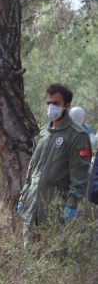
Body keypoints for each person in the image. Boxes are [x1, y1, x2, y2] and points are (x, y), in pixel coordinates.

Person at [18, 84, 92, 243]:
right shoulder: (43, 133)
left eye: (56, 103)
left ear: (67, 105)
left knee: (52, 256)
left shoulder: (77, 136)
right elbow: (32, 167)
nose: (51, 107)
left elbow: (80, 175)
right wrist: (24, 194)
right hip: (32, 204)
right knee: (29, 254)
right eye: (49, 103)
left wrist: (71, 204)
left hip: (55, 206)